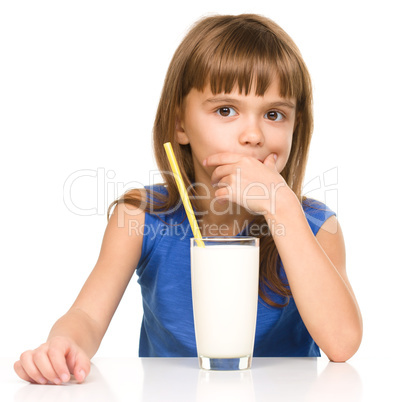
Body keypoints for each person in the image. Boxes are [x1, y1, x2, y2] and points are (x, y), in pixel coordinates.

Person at [14, 14, 362, 385]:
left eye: (274, 114)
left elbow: (342, 344)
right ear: (181, 124)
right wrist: (63, 345)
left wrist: (282, 208)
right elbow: (86, 315)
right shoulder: (141, 219)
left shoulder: (314, 225)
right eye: (225, 110)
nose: (253, 134)